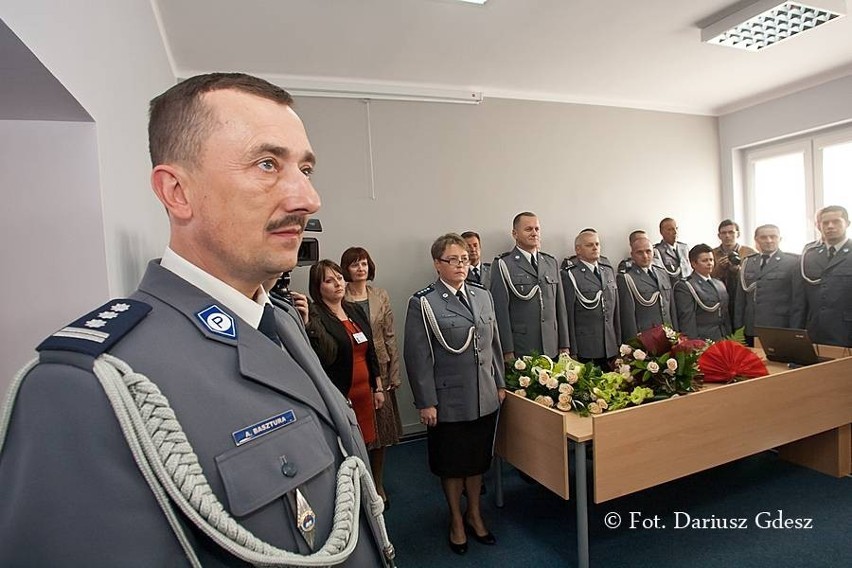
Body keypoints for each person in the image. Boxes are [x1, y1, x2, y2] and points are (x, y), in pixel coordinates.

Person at [0, 73, 391, 566]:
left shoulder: (278, 322)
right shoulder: (83, 387)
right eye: (267, 164)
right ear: (177, 192)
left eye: (306, 169)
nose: (308, 199)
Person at [404, 233, 505, 556]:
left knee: (477, 461)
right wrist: (426, 402)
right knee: (452, 464)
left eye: (464, 259)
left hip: (483, 395)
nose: (461, 265)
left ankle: (475, 513)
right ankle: (456, 521)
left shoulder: (482, 295)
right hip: (447, 401)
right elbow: (417, 357)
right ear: (437, 264)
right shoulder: (423, 303)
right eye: (453, 260)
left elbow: (494, 344)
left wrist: (500, 383)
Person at [340, 246, 402, 507]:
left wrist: (394, 373)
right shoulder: (339, 297)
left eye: (364, 263)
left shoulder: (380, 295)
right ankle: (359, 482)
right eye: (355, 264)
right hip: (355, 369)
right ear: (346, 269)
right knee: (359, 429)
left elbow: (389, 336)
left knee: (382, 431)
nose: (361, 268)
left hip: (382, 368)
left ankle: (377, 481)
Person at [305, 259, 385, 449]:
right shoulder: (315, 314)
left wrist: (378, 386)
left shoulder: (353, 308)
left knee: (366, 445)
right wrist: (308, 323)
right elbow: (327, 355)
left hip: (365, 392)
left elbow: (370, 349)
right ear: (317, 287)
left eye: (339, 278)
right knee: (346, 448)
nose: (338, 284)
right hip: (340, 392)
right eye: (329, 281)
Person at [490, 212, 570, 360]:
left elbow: (560, 307)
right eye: (528, 229)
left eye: (537, 229)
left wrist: (564, 344)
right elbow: (501, 312)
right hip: (523, 347)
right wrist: (507, 351)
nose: (534, 233)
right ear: (515, 233)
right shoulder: (503, 265)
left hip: (551, 346)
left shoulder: (550, 262)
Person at [734, 225, 804, 346]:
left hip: (779, 326)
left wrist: (795, 329)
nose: (769, 240)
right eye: (764, 237)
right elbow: (740, 300)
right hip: (751, 327)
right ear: (756, 240)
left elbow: (798, 301)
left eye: (773, 237)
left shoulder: (793, 262)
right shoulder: (747, 262)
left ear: (780, 239)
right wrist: (738, 328)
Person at [562, 229, 620, 367]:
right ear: (578, 250)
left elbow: (615, 312)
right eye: (589, 245)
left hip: (610, 346)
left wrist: (618, 342)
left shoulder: (607, 270)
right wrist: (572, 349)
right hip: (586, 348)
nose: (595, 248)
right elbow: (568, 315)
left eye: (597, 244)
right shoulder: (570, 274)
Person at [798, 205, 852, 347]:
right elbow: (801, 299)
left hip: (846, 331)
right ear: (819, 226)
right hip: (816, 330)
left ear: (847, 224)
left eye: (836, 222)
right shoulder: (810, 255)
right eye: (825, 223)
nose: (830, 226)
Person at [617, 235, 678, 341]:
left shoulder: (662, 272)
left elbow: (671, 306)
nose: (645, 256)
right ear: (632, 255)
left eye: (648, 251)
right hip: (646, 338)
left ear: (653, 252)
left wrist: (676, 333)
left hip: (668, 334)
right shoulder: (626, 278)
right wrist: (633, 344)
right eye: (640, 252)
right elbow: (628, 315)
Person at [674, 244, 732, 341]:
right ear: (693, 264)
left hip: (723, 336)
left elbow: (725, 316)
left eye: (711, 260)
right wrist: (692, 344)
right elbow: (687, 320)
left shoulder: (719, 283)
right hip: (703, 339)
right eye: (705, 260)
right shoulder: (686, 286)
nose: (709, 263)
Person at [711, 219, 756, 322]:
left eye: (731, 232)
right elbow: (706, 278)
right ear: (719, 236)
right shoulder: (712, 254)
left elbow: (755, 278)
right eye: (724, 233)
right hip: (719, 298)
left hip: (743, 297)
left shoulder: (750, 253)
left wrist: (737, 270)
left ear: (738, 234)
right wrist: (719, 268)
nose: (727, 236)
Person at [654, 217, 692, 284]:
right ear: (661, 232)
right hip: (672, 288)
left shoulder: (684, 247)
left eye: (676, 228)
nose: (675, 232)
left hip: (688, 286)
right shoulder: (658, 250)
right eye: (670, 229)